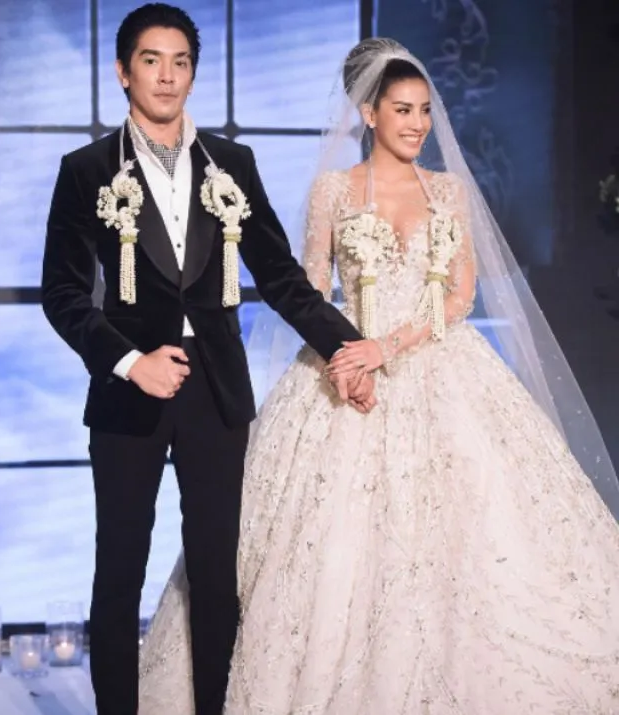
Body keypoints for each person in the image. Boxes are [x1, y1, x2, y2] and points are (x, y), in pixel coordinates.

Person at [137, 38, 619, 714]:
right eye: (402, 110)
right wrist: (344, 358)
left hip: (435, 360)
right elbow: (310, 288)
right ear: (369, 114)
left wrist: (386, 347)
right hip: (345, 363)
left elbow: (460, 295)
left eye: (423, 111)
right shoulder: (333, 191)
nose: (417, 124)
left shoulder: (447, 190)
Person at [41, 4, 374, 715]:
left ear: (193, 74)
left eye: (181, 62)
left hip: (217, 390)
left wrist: (347, 348)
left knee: (219, 573)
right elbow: (63, 295)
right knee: (119, 571)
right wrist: (130, 362)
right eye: (151, 61)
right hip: (129, 389)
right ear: (123, 72)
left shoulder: (232, 164)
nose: (167, 76)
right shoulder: (86, 170)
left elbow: (281, 277)